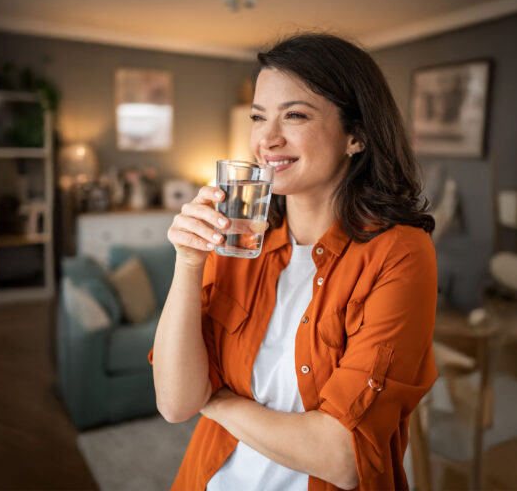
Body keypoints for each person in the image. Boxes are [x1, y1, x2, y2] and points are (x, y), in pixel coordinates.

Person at [151, 33, 437, 491]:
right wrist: (188, 261)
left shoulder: (398, 253)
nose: (267, 139)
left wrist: (219, 402)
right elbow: (175, 402)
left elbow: (341, 456)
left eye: (295, 115)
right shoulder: (239, 240)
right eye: (258, 116)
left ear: (356, 136)